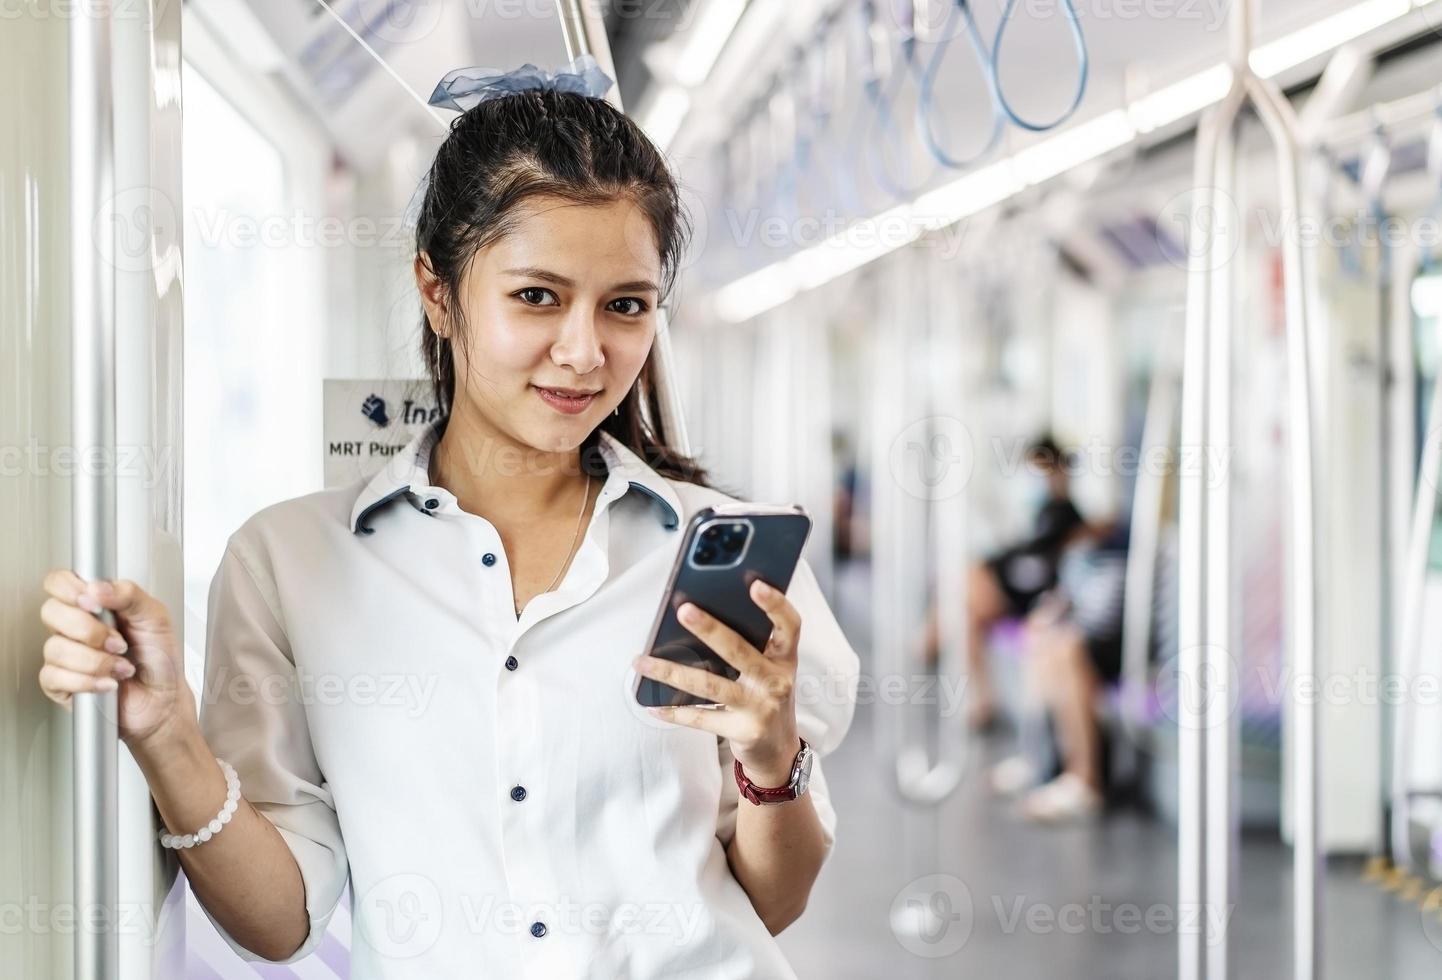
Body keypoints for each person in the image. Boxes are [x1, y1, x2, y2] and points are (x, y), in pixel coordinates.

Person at [36, 61, 859, 979]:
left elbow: (772, 906)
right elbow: (280, 923)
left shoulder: (723, 554)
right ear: (438, 289)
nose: (585, 352)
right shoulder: (291, 563)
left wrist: (769, 751)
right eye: (537, 297)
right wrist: (166, 736)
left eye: (624, 306)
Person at [923, 434, 1088, 729]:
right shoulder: (1042, 512)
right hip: (1011, 587)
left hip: (1024, 595)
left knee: (962, 584)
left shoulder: (1066, 515)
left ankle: (926, 646)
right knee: (965, 616)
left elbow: (1037, 565)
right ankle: (983, 702)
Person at [992, 521, 1129, 823]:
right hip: (1091, 631)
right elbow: (1068, 598)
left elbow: (1109, 619)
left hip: (1119, 644)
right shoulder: (1082, 555)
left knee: (1066, 649)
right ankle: (1038, 759)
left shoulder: (1123, 548)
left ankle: (1085, 779)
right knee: (1043, 639)